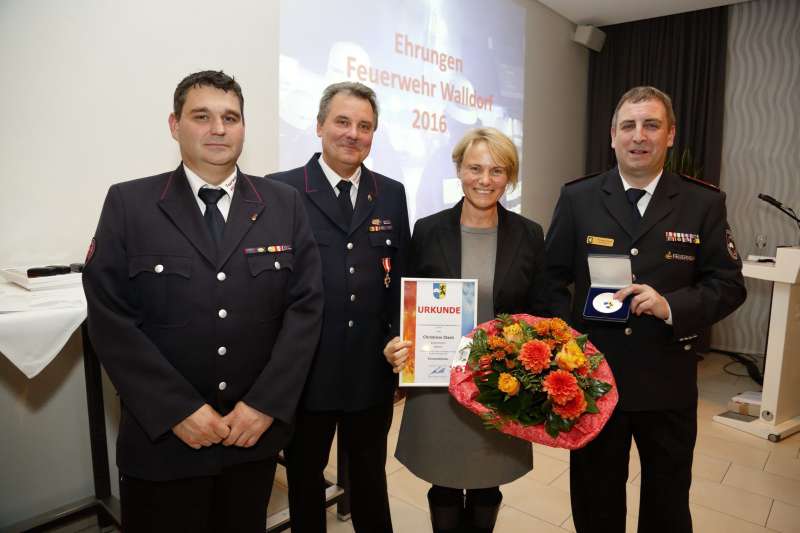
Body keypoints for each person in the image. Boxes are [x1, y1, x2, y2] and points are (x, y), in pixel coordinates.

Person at [82, 70, 324, 533]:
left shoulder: (284, 204)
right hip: (162, 443)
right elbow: (110, 319)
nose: (218, 128)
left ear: (243, 128)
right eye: (202, 116)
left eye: (230, 117)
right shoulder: (129, 204)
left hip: (249, 437)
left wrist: (266, 405)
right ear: (175, 125)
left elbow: (305, 310)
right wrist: (176, 410)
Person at [545, 86, 746, 533]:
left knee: (668, 504)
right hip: (594, 381)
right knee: (596, 501)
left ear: (670, 135)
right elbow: (551, 278)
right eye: (629, 126)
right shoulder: (578, 198)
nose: (639, 136)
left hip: (667, 380)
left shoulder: (703, 202)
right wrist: (571, 340)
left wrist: (671, 305)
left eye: (651, 125)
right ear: (612, 135)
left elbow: (729, 285)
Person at [384, 127, 550, 533]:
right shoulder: (427, 229)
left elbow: (541, 309)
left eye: (497, 170)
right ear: (459, 170)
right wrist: (395, 341)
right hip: (438, 381)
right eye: (475, 168)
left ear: (509, 177)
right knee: (443, 479)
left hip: (500, 382)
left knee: (486, 481)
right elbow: (404, 298)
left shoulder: (528, 234)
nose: (484, 179)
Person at [269, 81, 410, 533]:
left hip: (371, 367)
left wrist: (397, 340)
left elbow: (399, 280)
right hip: (307, 371)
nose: (353, 133)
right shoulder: (281, 190)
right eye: (343, 122)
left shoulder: (390, 192)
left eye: (365, 126)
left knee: (369, 475)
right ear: (319, 126)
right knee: (306, 477)